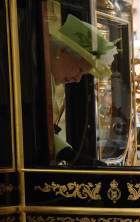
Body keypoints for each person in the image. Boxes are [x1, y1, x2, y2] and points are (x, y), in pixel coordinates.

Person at [48, 12, 118, 163]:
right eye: (80, 69)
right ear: (63, 52)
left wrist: (67, 152)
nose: (77, 79)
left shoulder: (50, 79)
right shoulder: (37, 76)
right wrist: (67, 153)